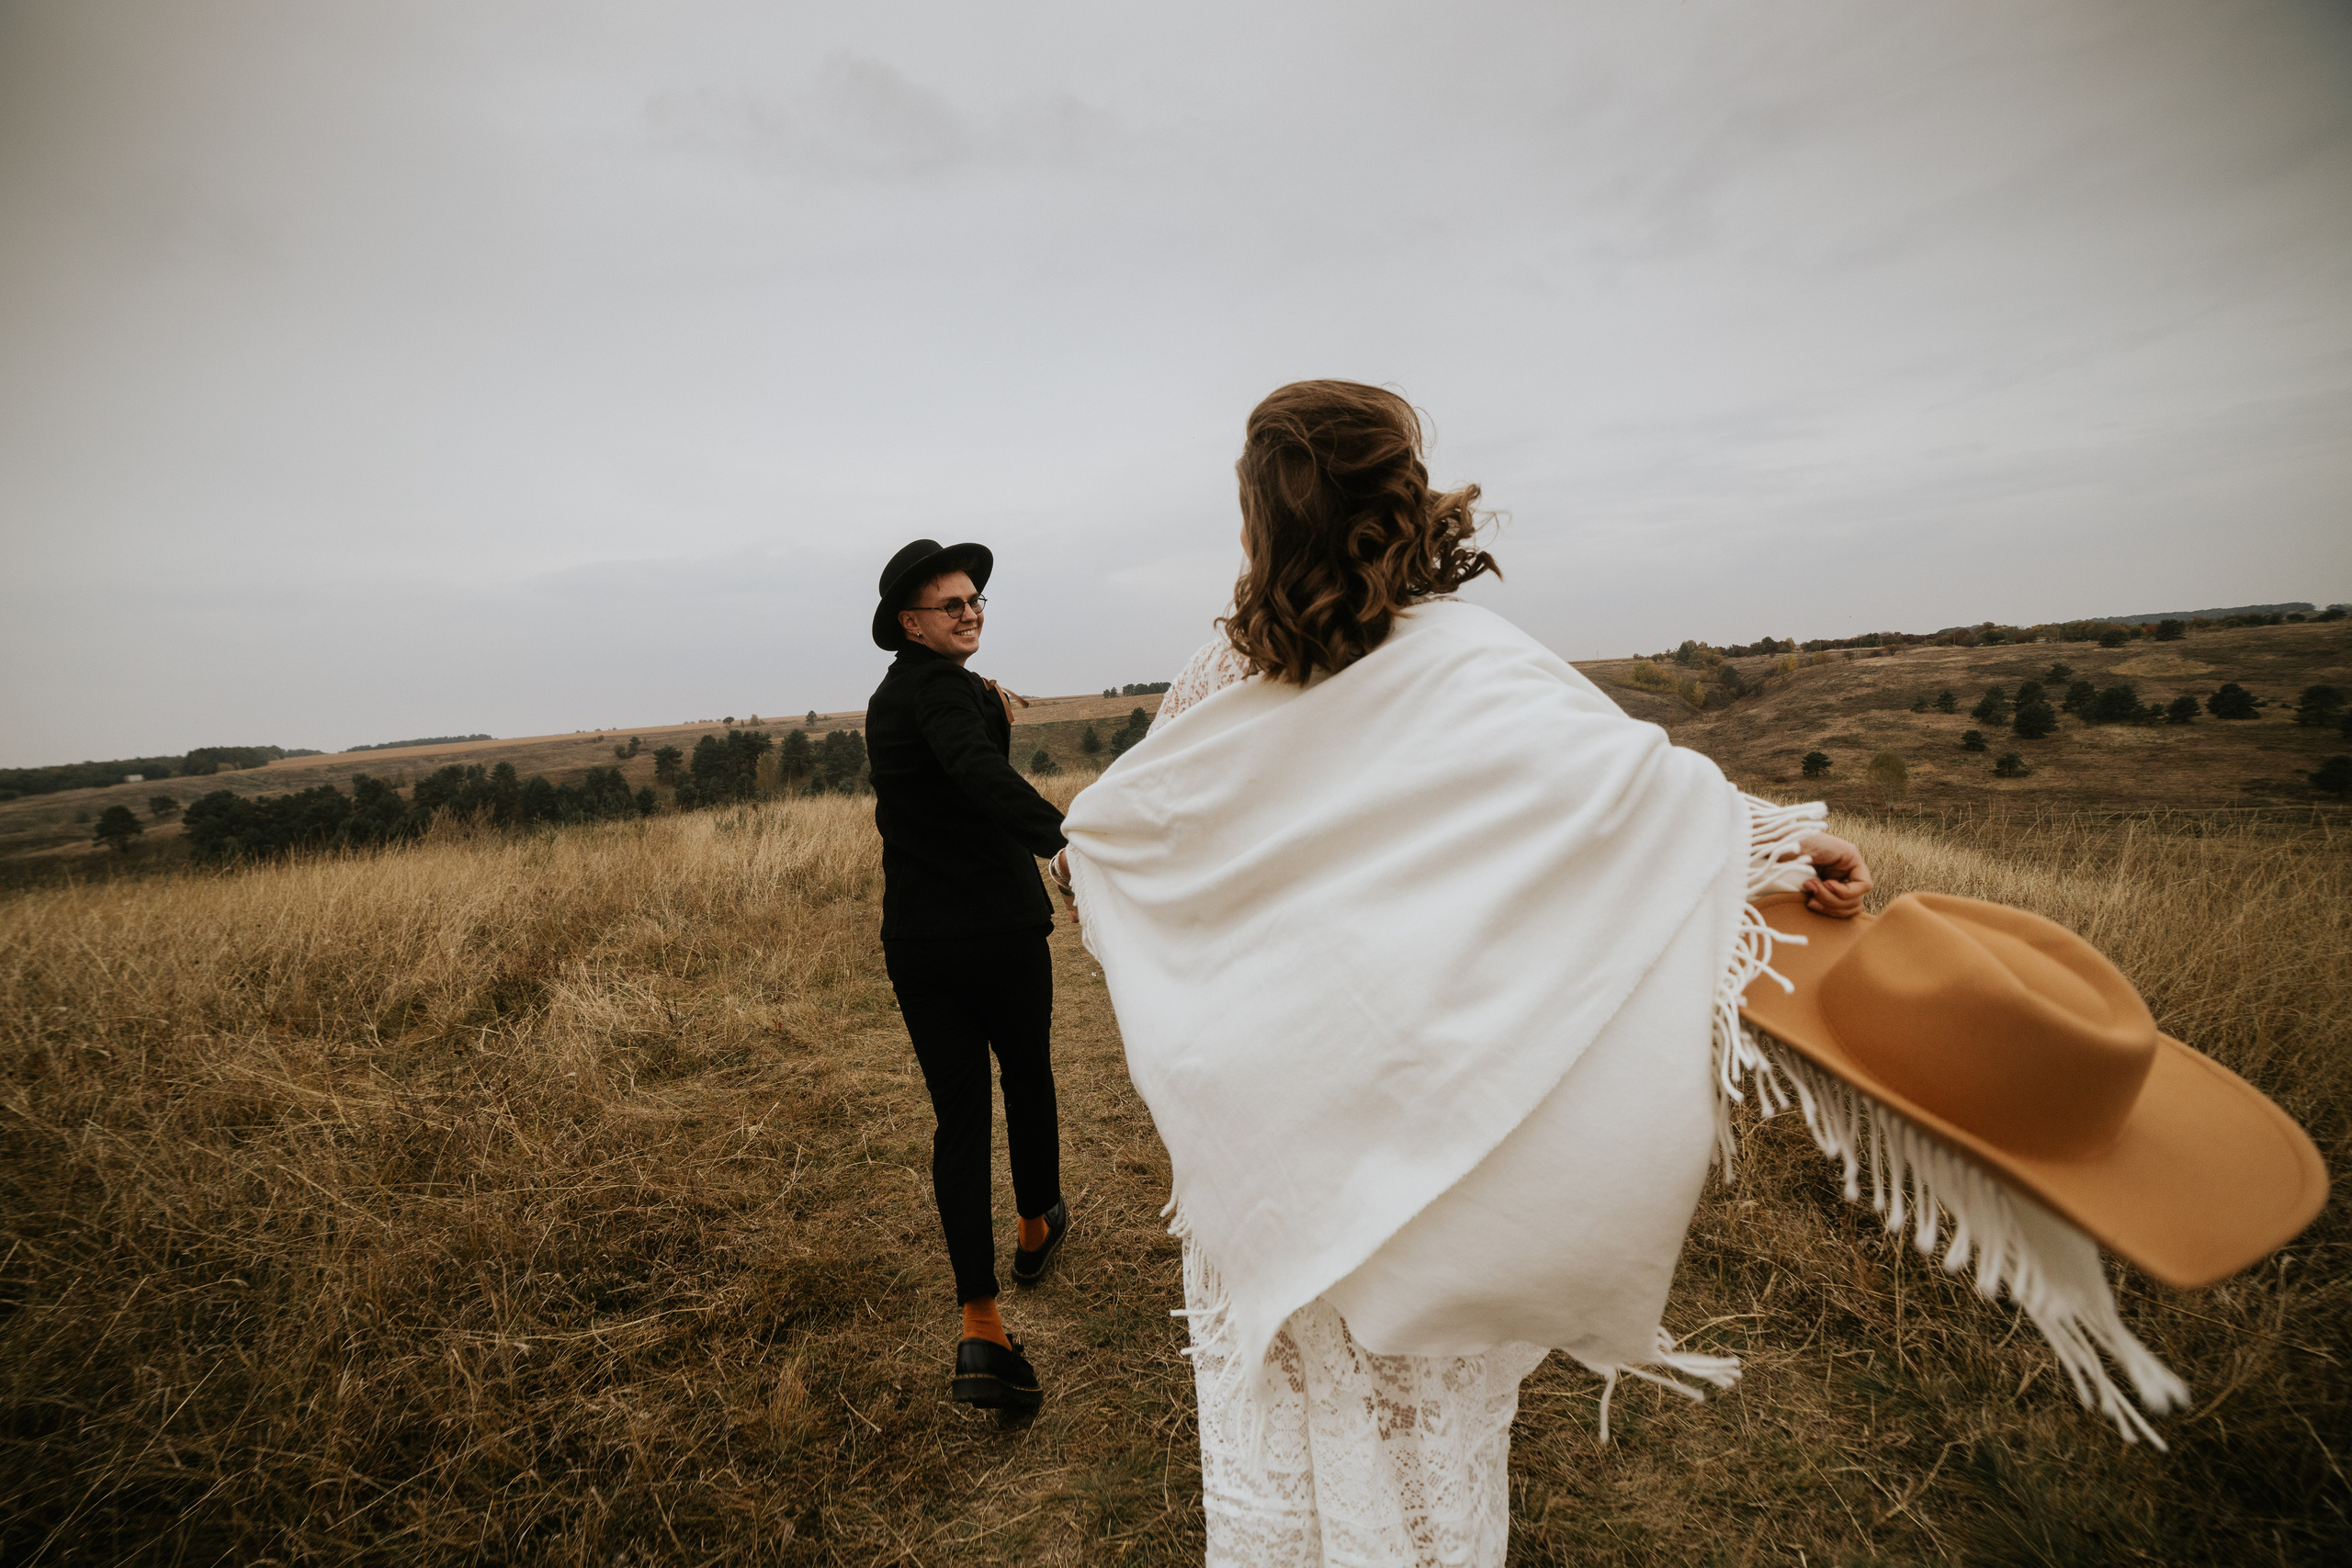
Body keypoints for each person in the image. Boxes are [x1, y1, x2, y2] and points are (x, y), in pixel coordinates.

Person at [1054, 382, 2318, 1566]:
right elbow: (1644, 796)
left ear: (1259, 511)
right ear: (1404, 493)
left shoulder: (1225, 677)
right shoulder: (1463, 659)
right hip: (1409, 1112)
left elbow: (1127, 835)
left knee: (1293, 1397)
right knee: (1412, 1423)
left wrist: (1130, 903)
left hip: (1277, 1112)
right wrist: (1780, 847)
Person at [866, 538, 1074, 1417]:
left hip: (919, 940)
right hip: (993, 927)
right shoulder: (947, 690)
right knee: (1025, 1073)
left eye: (977, 597)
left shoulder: (891, 698)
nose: (972, 610)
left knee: (960, 1113)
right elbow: (975, 772)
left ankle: (982, 1321)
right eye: (951, 605)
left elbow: (949, 764)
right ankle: (1035, 1224)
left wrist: (985, 706)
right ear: (910, 623)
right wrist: (1061, 837)